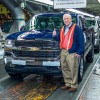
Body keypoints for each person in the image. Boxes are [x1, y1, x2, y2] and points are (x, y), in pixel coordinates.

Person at [52, 13, 84, 92]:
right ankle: (68, 83)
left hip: (72, 52)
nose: (66, 20)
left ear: (71, 19)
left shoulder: (76, 28)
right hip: (63, 51)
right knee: (65, 68)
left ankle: (74, 85)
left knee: (73, 68)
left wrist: (79, 52)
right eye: (64, 19)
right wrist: (54, 36)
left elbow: (81, 40)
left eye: (67, 18)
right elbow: (59, 39)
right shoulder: (63, 28)